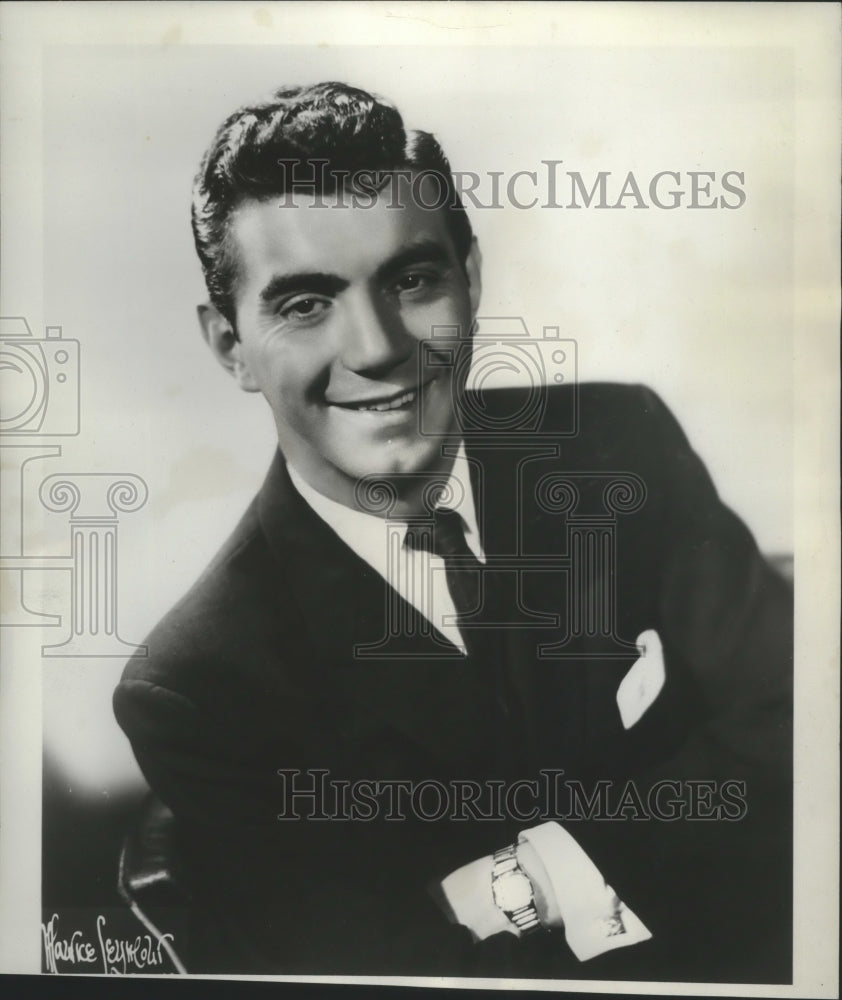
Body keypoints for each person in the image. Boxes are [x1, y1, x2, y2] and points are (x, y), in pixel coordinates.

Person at [113, 82, 792, 981]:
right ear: (230, 346)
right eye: (305, 304)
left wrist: (532, 880)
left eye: (411, 279)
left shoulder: (619, 444)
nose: (378, 347)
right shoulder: (197, 688)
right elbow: (396, 968)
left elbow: (802, 727)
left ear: (469, 280)